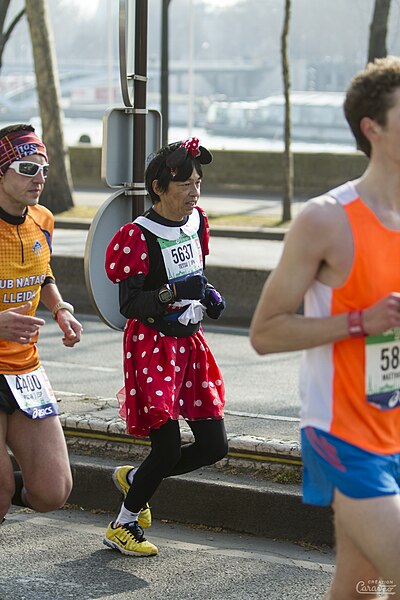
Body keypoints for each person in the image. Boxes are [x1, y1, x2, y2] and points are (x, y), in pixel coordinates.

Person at [250, 57, 400, 599]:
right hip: (344, 436)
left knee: (358, 586)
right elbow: (265, 332)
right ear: (373, 127)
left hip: (397, 431)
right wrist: (360, 321)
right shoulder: (326, 219)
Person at [104, 137, 228, 556]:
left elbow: (197, 273)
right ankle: (123, 525)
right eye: (185, 184)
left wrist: (207, 294)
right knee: (168, 446)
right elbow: (129, 304)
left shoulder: (197, 222)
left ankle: (137, 478)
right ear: (158, 188)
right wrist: (171, 292)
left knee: (215, 445)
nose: (194, 192)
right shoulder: (138, 236)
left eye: (198, 183)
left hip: (190, 344)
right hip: (153, 346)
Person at [0, 123, 83, 523]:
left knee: (53, 490)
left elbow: (42, 270)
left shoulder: (43, 219)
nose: (40, 179)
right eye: (27, 168)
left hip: (24, 370)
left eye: (44, 169)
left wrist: (60, 307)